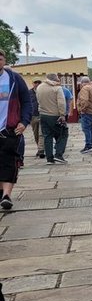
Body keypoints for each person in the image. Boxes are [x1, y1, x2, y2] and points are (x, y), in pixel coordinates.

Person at [0, 49, 34, 210]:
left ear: (4, 60)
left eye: (0, 58)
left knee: (10, 162)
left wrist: (24, 121)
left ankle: (6, 195)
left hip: (10, 129)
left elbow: (27, 101)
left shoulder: (14, 79)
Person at [36, 73, 68, 164]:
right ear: (55, 79)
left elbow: (38, 100)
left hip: (43, 114)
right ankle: (58, 154)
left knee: (47, 136)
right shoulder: (57, 88)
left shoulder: (39, 87)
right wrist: (62, 115)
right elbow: (61, 103)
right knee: (63, 133)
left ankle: (49, 159)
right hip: (55, 115)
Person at [29, 79, 44, 158]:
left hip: (43, 114)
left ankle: (41, 149)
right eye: (35, 82)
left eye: (39, 82)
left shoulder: (43, 91)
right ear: (32, 83)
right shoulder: (29, 92)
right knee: (36, 133)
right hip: (33, 115)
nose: (37, 84)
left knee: (42, 133)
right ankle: (39, 147)